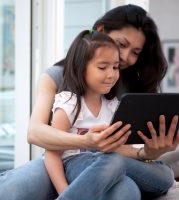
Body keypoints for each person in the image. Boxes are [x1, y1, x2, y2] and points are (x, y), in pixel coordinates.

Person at [0, 4, 179, 200]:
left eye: (136, 52)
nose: (125, 57)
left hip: (112, 161)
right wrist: (86, 141)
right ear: (101, 31)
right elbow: (35, 132)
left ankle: (91, 185)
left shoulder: (123, 85)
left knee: (149, 180)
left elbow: (119, 148)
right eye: (121, 44)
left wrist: (147, 152)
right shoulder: (60, 82)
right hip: (70, 158)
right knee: (5, 193)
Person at [45, 30, 132, 199]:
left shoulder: (113, 106)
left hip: (105, 167)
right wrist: (64, 191)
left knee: (129, 190)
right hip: (74, 164)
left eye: (115, 67)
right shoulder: (68, 104)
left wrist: (145, 152)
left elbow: (120, 147)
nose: (111, 74)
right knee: (115, 161)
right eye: (102, 67)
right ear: (80, 68)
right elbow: (52, 155)